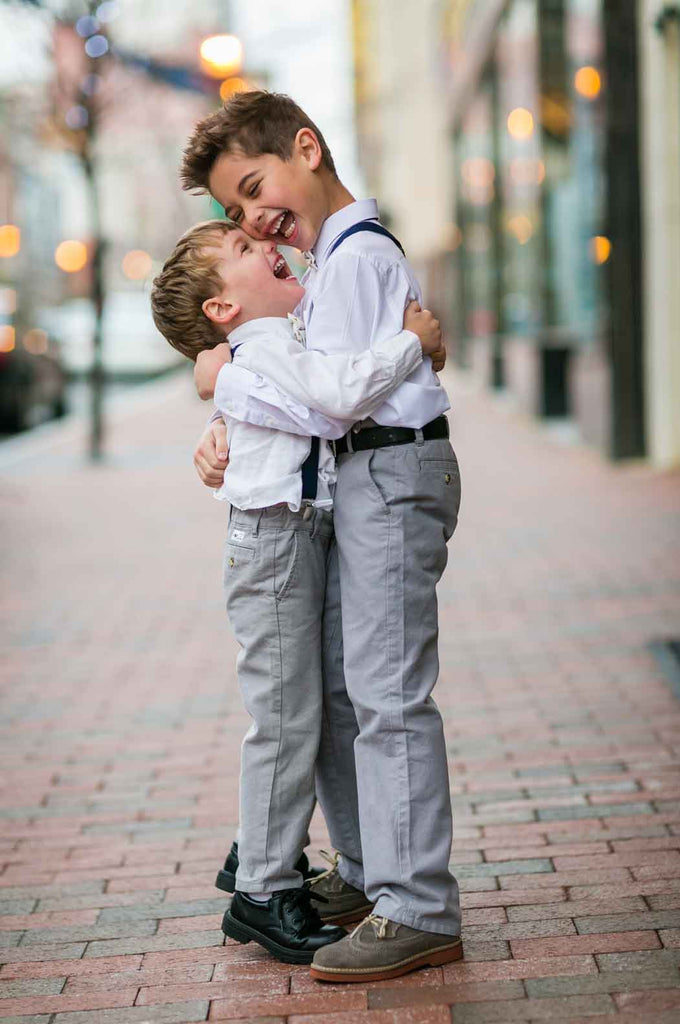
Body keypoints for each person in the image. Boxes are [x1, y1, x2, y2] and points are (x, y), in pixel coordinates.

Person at [185, 91, 464, 984]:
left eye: (257, 187)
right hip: (361, 475)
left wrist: (413, 347)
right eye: (235, 210)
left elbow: (330, 391)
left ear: (307, 149)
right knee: (351, 696)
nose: (256, 218)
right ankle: (371, 872)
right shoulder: (329, 264)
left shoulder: (353, 255)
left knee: (385, 696)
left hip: (387, 470)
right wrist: (221, 389)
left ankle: (417, 904)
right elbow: (286, 367)